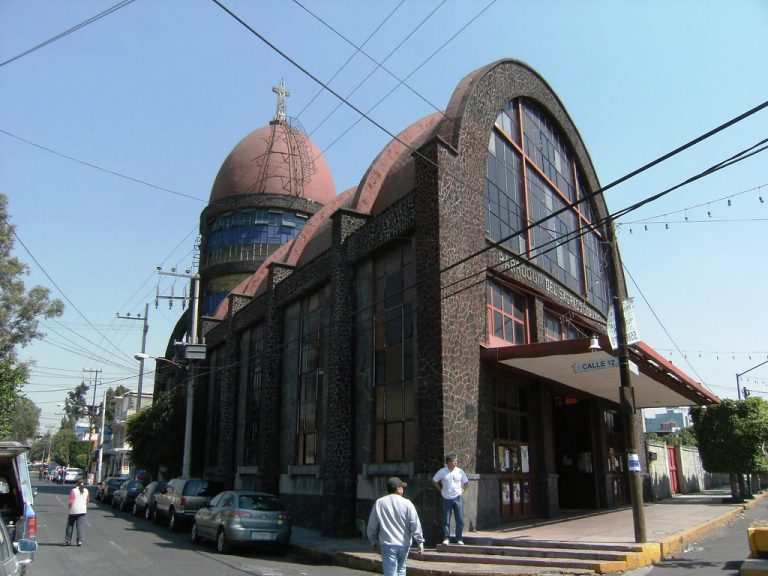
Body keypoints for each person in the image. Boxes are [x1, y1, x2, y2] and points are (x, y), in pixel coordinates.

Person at [367, 477, 425, 576]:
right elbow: (415, 523)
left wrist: (373, 541)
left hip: (387, 544)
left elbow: (372, 525)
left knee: (390, 573)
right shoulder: (408, 504)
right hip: (404, 544)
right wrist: (420, 542)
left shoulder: (380, 503)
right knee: (401, 571)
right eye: (402, 487)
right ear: (398, 489)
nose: (403, 489)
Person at [432, 452, 469, 545]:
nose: (455, 463)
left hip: (457, 498)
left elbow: (466, 483)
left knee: (459, 519)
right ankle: (446, 538)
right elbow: (434, 481)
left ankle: (459, 538)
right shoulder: (442, 471)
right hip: (446, 498)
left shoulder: (460, 471)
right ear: (448, 462)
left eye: (456, 461)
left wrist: (462, 492)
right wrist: (441, 490)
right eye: (453, 461)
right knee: (446, 519)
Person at [65, 479, 89, 546]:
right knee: (80, 526)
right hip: (82, 510)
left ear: (76, 484)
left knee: (70, 525)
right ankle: (79, 541)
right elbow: (87, 501)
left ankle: (68, 540)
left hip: (73, 510)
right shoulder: (86, 491)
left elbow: (71, 501)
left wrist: (69, 508)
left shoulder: (74, 491)